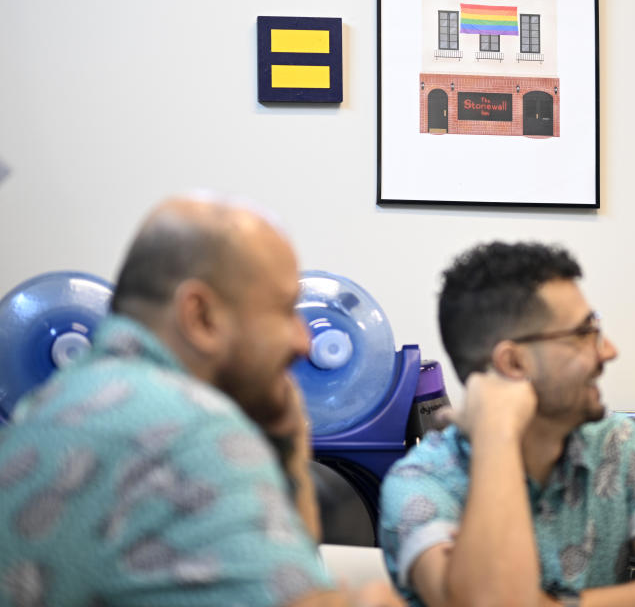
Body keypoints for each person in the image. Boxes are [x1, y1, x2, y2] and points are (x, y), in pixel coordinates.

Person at [0, 196, 402, 607]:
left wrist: (289, 447)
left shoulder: (46, 405)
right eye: (284, 310)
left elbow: (284, 570)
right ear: (201, 316)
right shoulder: (191, 432)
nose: (304, 340)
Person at [378, 241, 635, 607]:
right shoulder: (419, 484)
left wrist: (557, 605)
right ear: (514, 364)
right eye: (584, 334)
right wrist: (498, 434)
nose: (609, 350)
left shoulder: (615, 443)